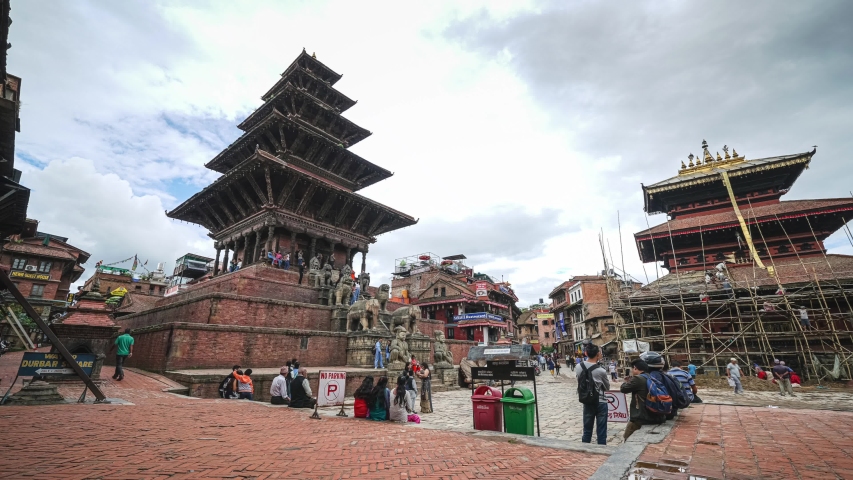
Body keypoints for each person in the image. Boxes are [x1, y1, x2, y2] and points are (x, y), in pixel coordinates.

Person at [621, 358, 666, 440]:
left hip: (641, 416)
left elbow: (623, 389)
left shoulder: (638, 379)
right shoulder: (650, 377)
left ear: (635, 368)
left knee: (627, 437)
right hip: (654, 413)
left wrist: (626, 381)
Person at [575, 344, 610, 445]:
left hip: (587, 400)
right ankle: (602, 450)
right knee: (601, 431)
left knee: (587, 429)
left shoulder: (578, 366)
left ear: (586, 353)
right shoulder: (601, 371)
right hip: (601, 401)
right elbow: (607, 387)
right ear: (598, 354)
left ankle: (585, 448)